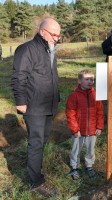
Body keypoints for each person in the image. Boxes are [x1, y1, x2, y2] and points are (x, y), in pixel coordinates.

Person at [11, 17, 61, 197]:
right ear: (42, 31)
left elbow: (51, 76)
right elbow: (19, 77)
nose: (57, 38)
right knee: (36, 143)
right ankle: (35, 182)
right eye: (54, 34)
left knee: (42, 141)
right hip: (34, 107)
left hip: (49, 106)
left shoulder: (50, 50)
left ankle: (36, 171)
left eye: (58, 35)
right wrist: (21, 101)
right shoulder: (27, 50)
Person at [65, 69, 104, 180]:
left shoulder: (96, 95)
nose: (90, 81)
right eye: (87, 79)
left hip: (92, 130)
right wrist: (74, 129)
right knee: (76, 149)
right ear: (79, 81)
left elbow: (100, 112)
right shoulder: (74, 96)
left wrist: (99, 126)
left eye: (92, 79)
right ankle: (74, 167)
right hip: (78, 130)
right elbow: (70, 113)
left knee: (91, 149)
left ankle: (89, 166)